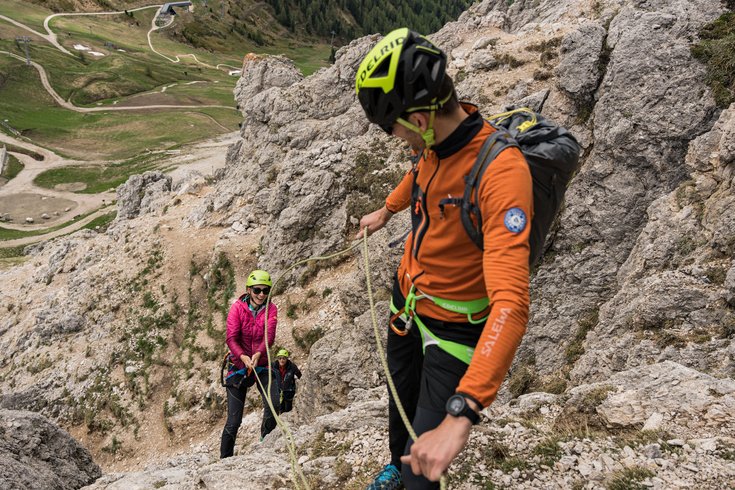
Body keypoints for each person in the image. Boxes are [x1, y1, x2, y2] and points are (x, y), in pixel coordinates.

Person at [354, 28, 533, 489]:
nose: (393, 136)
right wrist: (386, 211)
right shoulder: (433, 143)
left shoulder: (501, 172)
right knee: (401, 399)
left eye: (391, 126)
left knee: (423, 473)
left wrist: (461, 414)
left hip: (454, 330)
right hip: (408, 303)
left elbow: (511, 304)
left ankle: (409, 473)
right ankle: (397, 462)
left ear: (417, 116)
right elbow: (418, 177)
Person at [220, 269, 280, 457]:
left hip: (261, 362)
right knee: (234, 420)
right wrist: (243, 357)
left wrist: (258, 352)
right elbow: (231, 338)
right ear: (248, 290)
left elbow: (269, 336)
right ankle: (225, 458)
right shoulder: (237, 308)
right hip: (239, 365)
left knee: (274, 404)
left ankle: (266, 441)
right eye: (257, 290)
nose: (261, 294)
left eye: (265, 290)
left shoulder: (272, 309)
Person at [271, 348, 302, 414]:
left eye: (284, 358)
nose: (282, 360)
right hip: (278, 391)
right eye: (280, 358)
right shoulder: (274, 366)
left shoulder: (292, 366)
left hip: (289, 391)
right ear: (278, 359)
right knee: (280, 410)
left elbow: (300, 376)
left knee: (288, 410)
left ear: (287, 359)